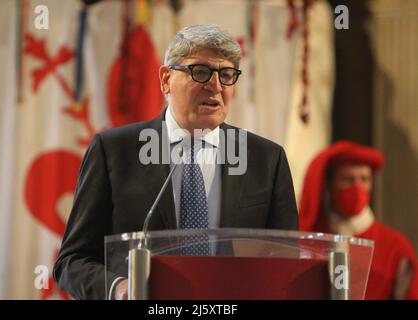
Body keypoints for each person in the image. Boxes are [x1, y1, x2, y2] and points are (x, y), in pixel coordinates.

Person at [54, 24, 298, 300]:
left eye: (227, 75)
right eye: (201, 71)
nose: (216, 86)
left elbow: (285, 261)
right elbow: (72, 262)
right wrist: (120, 289)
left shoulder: (266, 159)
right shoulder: (113, 151)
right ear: (166, 79)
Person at [300, 141, 418, 299]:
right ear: (329, 184)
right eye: (348, 179)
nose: (357, 187)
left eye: (364, 179)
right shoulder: (311, 238)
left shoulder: (396, 247)